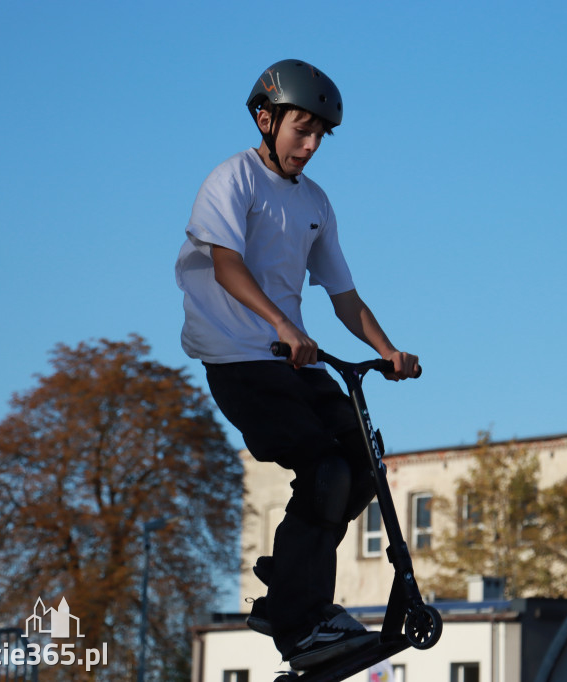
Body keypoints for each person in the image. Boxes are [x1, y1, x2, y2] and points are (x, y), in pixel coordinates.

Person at [174, 59, 420, 670]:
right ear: (266, 118)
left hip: (293, 360)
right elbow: (227, 264)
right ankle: (299, 621)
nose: (309, 146)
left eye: (319, 136)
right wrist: (282, 323)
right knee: (324, 470)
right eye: (299, 129)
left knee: (362, 466)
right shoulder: (231, 180)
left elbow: (342, 294)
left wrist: (387, 350)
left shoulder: (315, 202)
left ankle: (289, 590)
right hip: (238, 358)